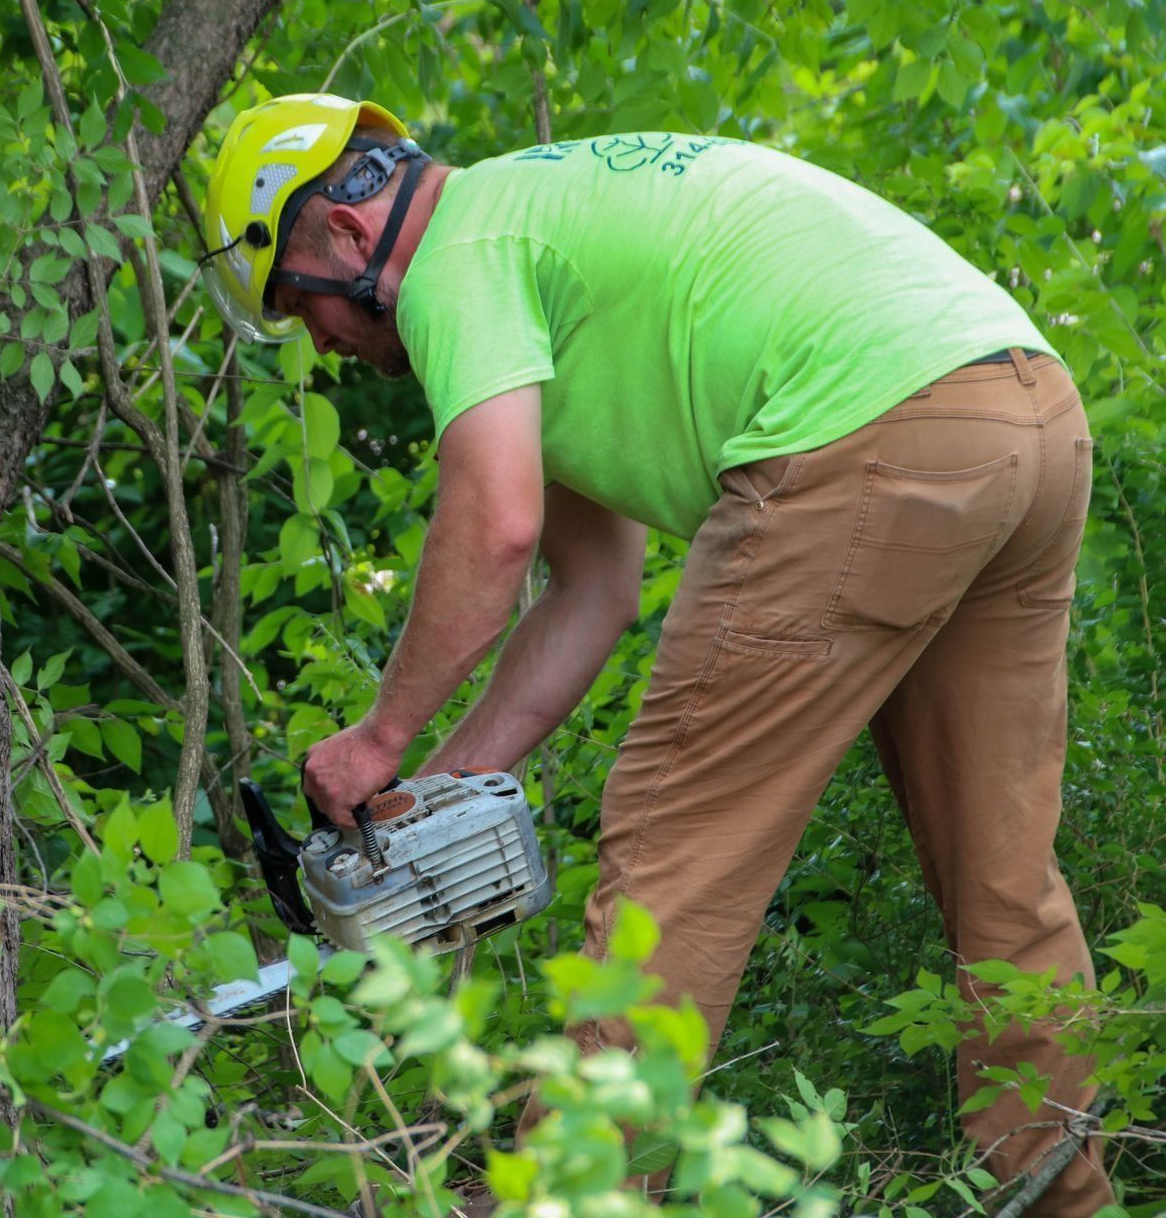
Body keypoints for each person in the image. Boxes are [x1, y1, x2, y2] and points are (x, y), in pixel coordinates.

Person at [200, 93, 1113, 1216]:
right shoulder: (543, 225)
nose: (328, 345)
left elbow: (494, 525)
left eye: (302, 309)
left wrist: (376, 738)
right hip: (1021, 405)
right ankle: (1063, 1191)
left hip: (867, 427)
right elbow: (594, 589)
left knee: (673, 859)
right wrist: (427, 786)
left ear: (342, 235)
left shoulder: (457, 259)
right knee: (1002, 873)